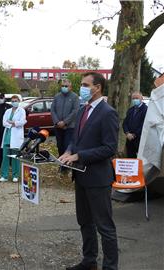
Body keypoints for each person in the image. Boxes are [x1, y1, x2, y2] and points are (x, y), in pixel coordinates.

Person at [59, 72, 119, 270]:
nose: (81, 88)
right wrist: (67, 152)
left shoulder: (108, 112)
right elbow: (76, 140)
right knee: (85, 222)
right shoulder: (83, 110)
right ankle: (89, 261)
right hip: (81, 176)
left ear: (98, 87)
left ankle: (110, 267)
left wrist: (79, 156)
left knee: (104, 226)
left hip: (99, 179)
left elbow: (110, 148)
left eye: (85, 85)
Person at [51, 79, 79, 172]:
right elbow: (53, 110)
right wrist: (57, 122)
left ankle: (67, 165)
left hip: (69, 127)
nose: (64, 87)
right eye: (63, 85)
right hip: (58, 127)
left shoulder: (75, 97)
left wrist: (65, 122)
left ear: (70, 87)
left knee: (67, 146)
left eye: (66, 86)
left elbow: (75, 111)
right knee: (60, 146)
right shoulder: (57, 96)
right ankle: (61, 164)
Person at [0, 95, 27, 183]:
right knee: (5, 157)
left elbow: (22, 122)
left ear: (19, 101)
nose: (14, 102)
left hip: (16, 136)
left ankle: (15, 175)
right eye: (13, 100)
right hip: (7, 135)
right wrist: (13, 124)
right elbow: (4, 122)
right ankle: (4, 175)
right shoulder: (8, 111)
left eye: (16, 100)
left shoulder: (21, 110)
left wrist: (13, 123)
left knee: (15, 157)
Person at [123, 92, 148, 158]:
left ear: (141, 98)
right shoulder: (130, 110)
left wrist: (134, 134)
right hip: (129, 140)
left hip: (140, 140)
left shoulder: (146, 109)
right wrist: (127, 133)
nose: (135, 100)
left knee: (140, 160)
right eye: (133, 98)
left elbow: (143, 124)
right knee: (130, 159)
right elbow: (125, 123)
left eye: (137, 98)